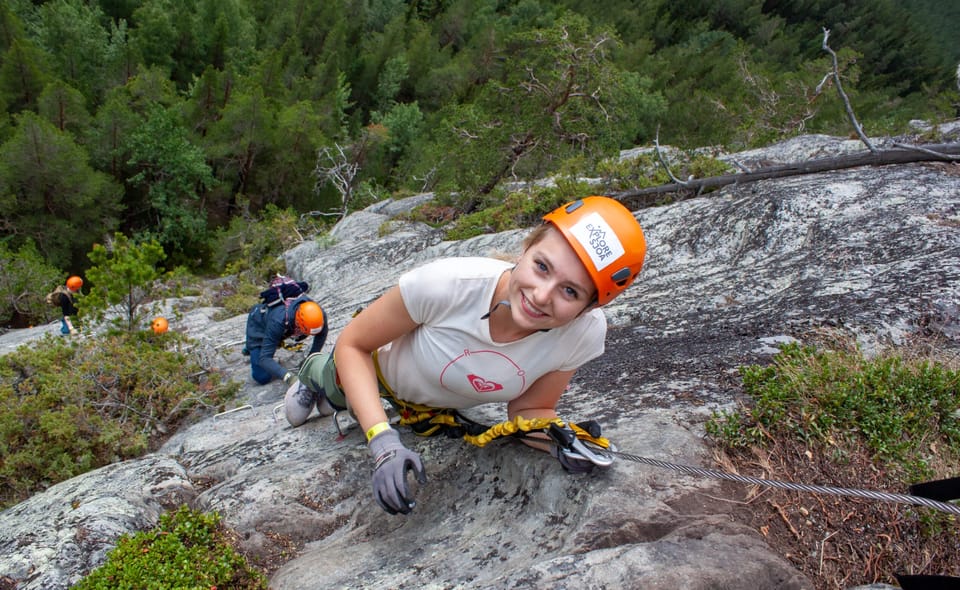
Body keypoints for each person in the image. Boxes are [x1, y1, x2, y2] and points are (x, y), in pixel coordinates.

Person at [285, 196, 647, 514]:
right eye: (541, 266)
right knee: (326, 399)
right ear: (527, 246)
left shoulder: (582, 335)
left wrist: (560, 442)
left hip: (432, 409)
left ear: (589, 307)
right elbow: (354, 344)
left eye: (569, 291)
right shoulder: (447, 284)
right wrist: (382, 441)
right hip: (376, 372)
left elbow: (529, 411)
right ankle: (312, 372)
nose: (540, 295)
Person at [245, 296, 328, 385]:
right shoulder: (278, 321)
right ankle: (251, 347)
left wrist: (311, 359)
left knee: (275, 337)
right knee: (262, 377)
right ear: (297, 323)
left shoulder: (318, 315)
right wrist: (289, 377)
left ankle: (267, 343)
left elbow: (321, 334)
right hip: (259, 324)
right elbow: (265, 358)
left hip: (279, 327)